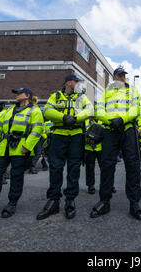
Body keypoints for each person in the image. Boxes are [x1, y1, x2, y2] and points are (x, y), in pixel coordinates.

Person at [0, 88, 44, 218]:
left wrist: (27, 147)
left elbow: (37, 130)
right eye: (16, 93)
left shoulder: (35, 111)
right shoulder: (8, 110)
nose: (17, 95)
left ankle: (12, 203)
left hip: (20, 148)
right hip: (3, 147)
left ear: (28, 96)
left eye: (19, 93)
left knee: (16, 176)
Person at [90, 66, 141, 220]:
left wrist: (122, 119)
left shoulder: (132, 90)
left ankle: (134, 203)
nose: (122, 78)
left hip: (127, 130)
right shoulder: (107, 92)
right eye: (119, 76)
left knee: (133, 167)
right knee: (107, 166)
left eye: (124, 76)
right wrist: (110, 121)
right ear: (113, 77)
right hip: (110, 131)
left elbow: (136, 108)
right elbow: (99, 109)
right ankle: (104, 201)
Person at [36, 74, 92, 220]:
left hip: (76, 136)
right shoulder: (55, 96)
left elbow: (89, 110)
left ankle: (70, 200)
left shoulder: (82, 97)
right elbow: (47, 111)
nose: (79, 85)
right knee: (55, 168)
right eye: (77, 82)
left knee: (74, 169)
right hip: (58, 135)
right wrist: (62, 118)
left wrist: (75, 118)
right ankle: (53, 201)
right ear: (69, 82)